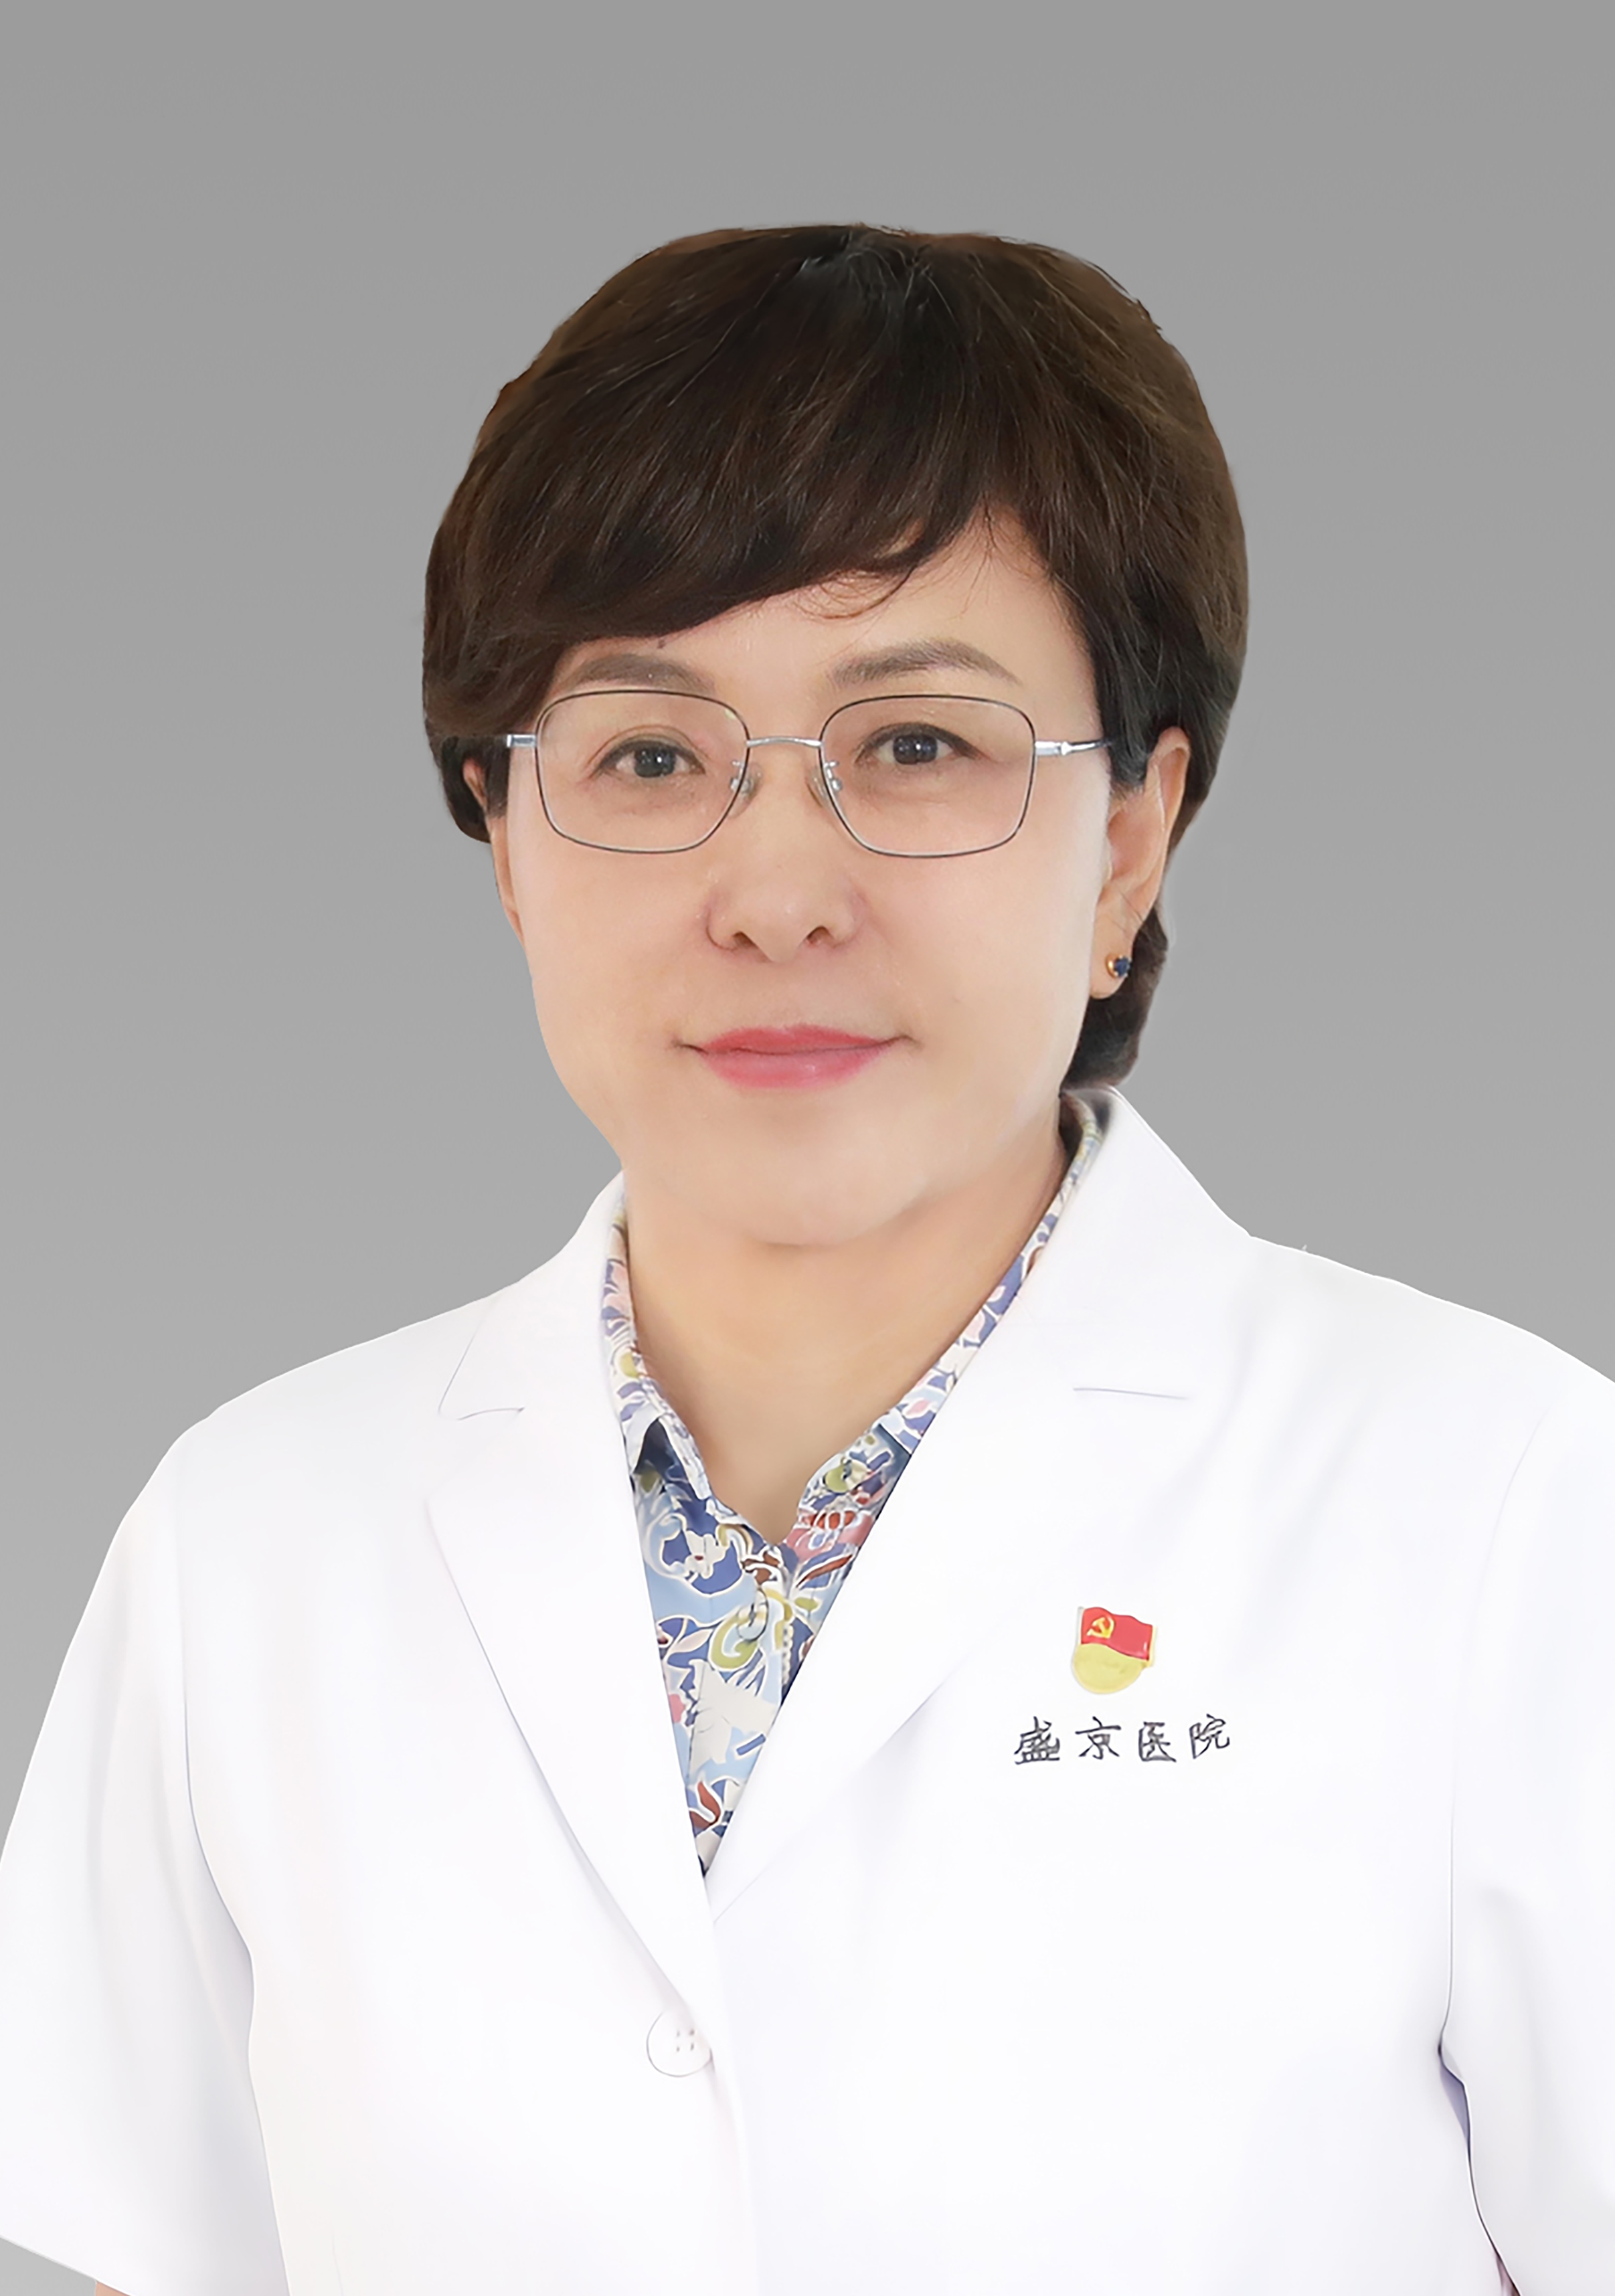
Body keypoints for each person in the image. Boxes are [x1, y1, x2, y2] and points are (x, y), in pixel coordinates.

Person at [0, 222, 1604, 2296]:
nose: (774, 892)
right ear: (506, 841)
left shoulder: (1514, 1515)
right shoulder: (248, 1545)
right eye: (649, 756)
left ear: (1130, 840)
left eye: (919, 746)